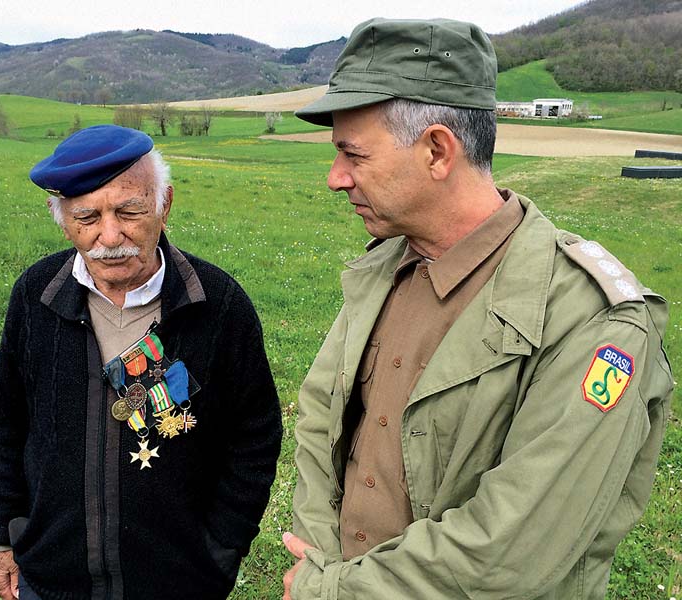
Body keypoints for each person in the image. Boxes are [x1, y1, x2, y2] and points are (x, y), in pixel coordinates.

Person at [282, 17, 674, 599]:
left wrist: (333, 591)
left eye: (353, 155)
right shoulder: (384, 268)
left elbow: (514, 550)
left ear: (438, 150)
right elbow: (320, 421)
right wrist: (321, 559)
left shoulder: (591, 320)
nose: (337, 178)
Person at [0, 124, 282, 600]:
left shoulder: (217, 304)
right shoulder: (35, 296)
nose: (109, 235)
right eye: (87, 216)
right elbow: (6, 421)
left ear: (165, 204)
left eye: (130, 210)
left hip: (178, 582)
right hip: (51, 577)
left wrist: (222, 547)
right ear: (61, 219)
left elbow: (255, 436)